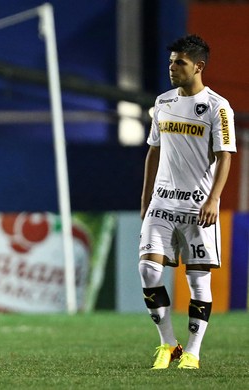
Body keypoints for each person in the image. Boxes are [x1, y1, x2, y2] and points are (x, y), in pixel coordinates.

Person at [139, 34, 235, 370]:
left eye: (179, 62)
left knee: (197, 281)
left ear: (199, 66)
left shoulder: (217, 107)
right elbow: (154, 149)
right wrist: (145, 196)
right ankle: (168, 344)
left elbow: (225, 156)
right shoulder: (163, 103)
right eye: (171, 61)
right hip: (161, 204)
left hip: (197, 207)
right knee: (148, 270)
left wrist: (213, 200)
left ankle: (193, 351)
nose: (172, 67)